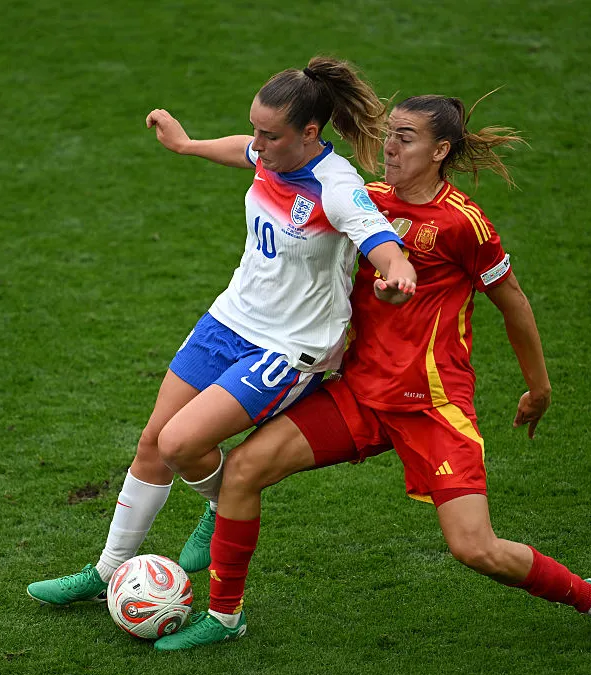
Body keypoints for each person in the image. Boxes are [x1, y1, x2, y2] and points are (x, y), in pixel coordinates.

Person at [153, 94, 591, 651]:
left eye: (406, 138)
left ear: (441, 151)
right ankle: (225, 618)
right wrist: (190, 145)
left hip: (430, 405)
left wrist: (538, 387)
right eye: (390, 133)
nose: (389, 147)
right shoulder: (362, 200)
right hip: (359, 395)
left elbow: (511, 299)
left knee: (475, 549)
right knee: (245, 469)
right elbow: (262, 157)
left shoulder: (463, 224)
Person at [26, 57, 416, 606]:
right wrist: (187, 146)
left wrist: (397, 268)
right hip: (229, 320)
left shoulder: (336, 187)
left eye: (270, 135)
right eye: (255, 129)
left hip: (289, 345)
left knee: (182, 443)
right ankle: (106, 571)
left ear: (309, 133)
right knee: (151, 445)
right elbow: (244, 151)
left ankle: (221, 504)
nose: (259, 144)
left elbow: (375, 233)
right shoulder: (271, 153)